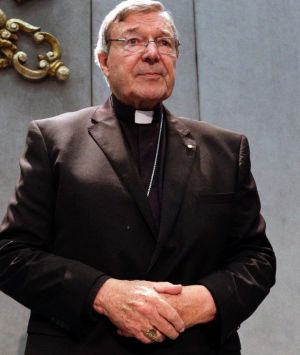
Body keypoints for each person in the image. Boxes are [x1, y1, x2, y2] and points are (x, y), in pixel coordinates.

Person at [0, 1, 276, 354]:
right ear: (103, 61)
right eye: (132, 41)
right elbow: (12, 255)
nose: (151, 53)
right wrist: (102, 293)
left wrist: (204, 300)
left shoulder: (225, 149)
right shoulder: (54, 139)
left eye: (164, 42)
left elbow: (257, 259)